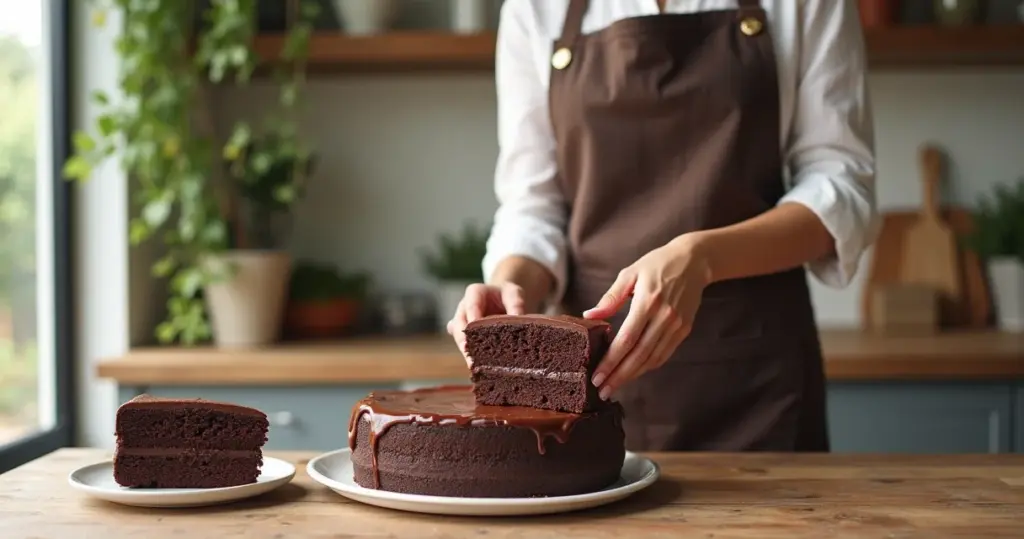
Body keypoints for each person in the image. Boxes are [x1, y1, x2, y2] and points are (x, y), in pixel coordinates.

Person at [447, 0, 877, 452]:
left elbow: (840, 188)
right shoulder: (536, 8)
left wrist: (702, 257)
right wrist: (511, 286)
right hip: (590, 383)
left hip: (759, 384)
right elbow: (535, 206)